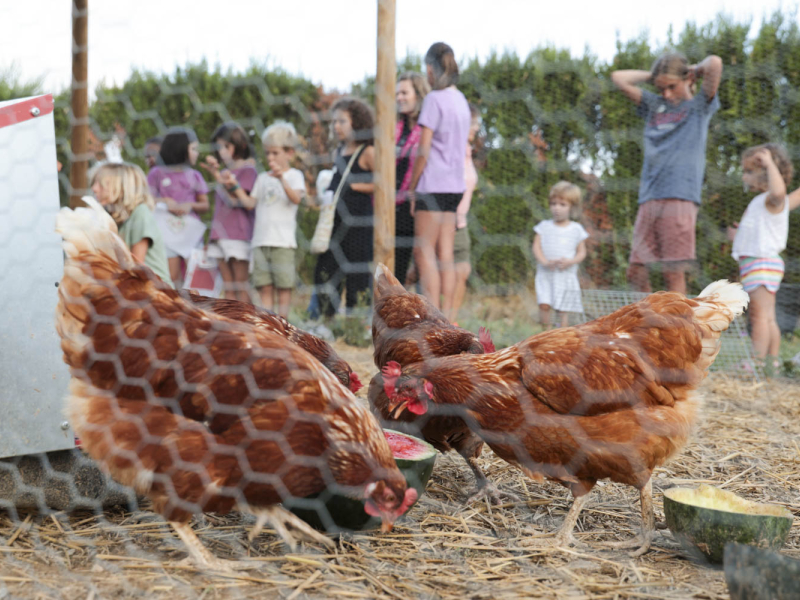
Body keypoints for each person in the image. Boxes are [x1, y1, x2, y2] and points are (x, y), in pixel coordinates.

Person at [611, 51, 723, 294]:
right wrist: (654, 76)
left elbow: (714, 63)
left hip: (679, 197)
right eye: (661, 88)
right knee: (636, 271)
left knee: (672, 272)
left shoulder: (699, 106)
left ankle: (679, 330)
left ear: (688, 79)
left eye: (672, 86)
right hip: (649, 197)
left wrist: (695, 68)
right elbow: (618, 77)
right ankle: (649, 326)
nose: (667, 94)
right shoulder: (654, 106)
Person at [408, 42, 471, 316]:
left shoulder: (434, 100)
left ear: (432, 69)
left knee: (423, 252)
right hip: (455, 186)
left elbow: (423, 150)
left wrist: (411, 187)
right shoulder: (461, 100)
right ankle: (448, 318)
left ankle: (432, 319)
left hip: (433, 184)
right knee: (445, 253)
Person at [223, 121, 306, 319]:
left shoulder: (295, 175)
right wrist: (234, 187)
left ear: (289, 153)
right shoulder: (262, 178)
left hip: (283, 243)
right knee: (264, 287)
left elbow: (296, 199)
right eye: (267, 153)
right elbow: (250, 203)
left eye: (275, 153)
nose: (270, 157)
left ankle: (284, 328)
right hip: (260, 242)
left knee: (284, 288)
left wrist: (281, 180)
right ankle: (269, 328)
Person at [730, 143, 800, 373]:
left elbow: (780, 192)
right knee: (768, 317)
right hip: (760, 264)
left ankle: (756, 361)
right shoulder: (761, 203)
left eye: (749, 171)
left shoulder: (772, 199)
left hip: (761, 264)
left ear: (767, 172)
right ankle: (773, 360)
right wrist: (740, 232)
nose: (744, 176)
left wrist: (769, 162)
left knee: (759, 316)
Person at [313, 97, 376, 318]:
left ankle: (355, 323)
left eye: (342, 121)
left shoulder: (368, 152)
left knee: (357, 273)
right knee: (326, 268)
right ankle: (325, 319)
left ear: (357, 123)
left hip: (359, 223)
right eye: (334, 122)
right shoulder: (338, 152)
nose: (336, 126)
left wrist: (355, 186)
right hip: (335, 221)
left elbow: (385, 184)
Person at [200, 122, 258, 304]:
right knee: (228, 288)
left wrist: (219, 177)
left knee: (241, 286)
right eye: (219, 148)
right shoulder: (224, 171)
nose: (222, 152)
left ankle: (248, 328)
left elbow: (239, 200)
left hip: (239, 235)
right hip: (219, 235)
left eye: (226, 146)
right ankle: (232, 328)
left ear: (240, 145)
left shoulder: (249, 170)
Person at [90, 161, 173, 287]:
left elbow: (135, 268)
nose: (94, 188)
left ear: (122, 187)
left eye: (101, 184)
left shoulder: (141, 213)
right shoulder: (117, 218)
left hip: (159, 295)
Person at [147, 127, 210, 287]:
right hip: (166, 234)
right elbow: (146, 199)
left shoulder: (195, 175)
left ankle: (195, 310)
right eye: (194, 148)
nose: (197, 153)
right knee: (170, 277)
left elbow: (205, 205)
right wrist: (164, 201)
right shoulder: (156, 173)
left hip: (190, 233)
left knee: (194, 278)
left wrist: (190, 205)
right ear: (181, 149)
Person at [532, 181, 589, 329]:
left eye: (562, 204)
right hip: (546, 273)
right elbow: (536, 247)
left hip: (565, 275)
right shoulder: (544, 226)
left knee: (562, 308)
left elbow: (582, 252)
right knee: (544, 304)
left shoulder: (576, 229)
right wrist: (545, 262)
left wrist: (571, 261)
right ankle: (545, 334)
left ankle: (560, 337)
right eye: (553, 203)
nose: (557, 208)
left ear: (572, 207)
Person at [395, 71, 430, 282]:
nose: (399, 97)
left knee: (420, 264)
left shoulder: (426, 129)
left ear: (419, 94)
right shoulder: (395, 128)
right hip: (392, 206)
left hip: (416, 204)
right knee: (395, 265)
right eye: (397, 93)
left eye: (404, 92)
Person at [450, 103, 481, 324]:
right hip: (446, 219)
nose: (476, 128)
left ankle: (451, 321)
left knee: (463, 270)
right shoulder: (452, 149)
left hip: (461, 222)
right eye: (473, 124)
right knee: (431, 273)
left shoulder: (467, 151)